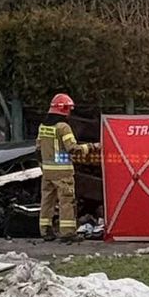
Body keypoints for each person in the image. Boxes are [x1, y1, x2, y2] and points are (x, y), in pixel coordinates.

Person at [37, 92, 98, 243]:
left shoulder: (43, 127)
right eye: (69, 109)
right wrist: (92, 147)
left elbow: (38, 148)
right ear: (64, 109)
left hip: (47, 172)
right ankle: (68, 233)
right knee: (66, 201)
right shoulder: (63, 127)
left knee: (47, 201)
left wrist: (43, 166)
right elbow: (72, 149)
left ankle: (45, 231)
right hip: (62, 172)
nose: (70, 112)